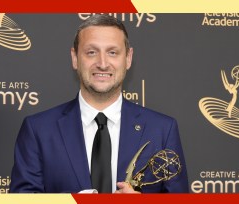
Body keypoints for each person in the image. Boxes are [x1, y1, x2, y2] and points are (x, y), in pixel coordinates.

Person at [10, 14, 189, 193]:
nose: (102, 64)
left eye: (112, 52)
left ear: (128, 58)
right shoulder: (38, 130)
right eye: (91, 52)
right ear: (75, 58)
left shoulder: (162, 130)